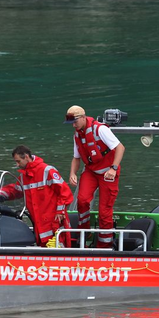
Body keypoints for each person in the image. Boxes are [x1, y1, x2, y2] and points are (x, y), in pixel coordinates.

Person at [66, 105, 124, 248]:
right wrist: (72, 173)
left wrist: (113, 168)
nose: (73, 125)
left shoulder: (100, 129)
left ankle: (104, 245)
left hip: (108, 172)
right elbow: (76, 158)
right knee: (82, 200)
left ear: (83, 117)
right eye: (71, 123)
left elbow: (120, 148)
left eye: (75, 122)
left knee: (104, 211)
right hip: (91, 171)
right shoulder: (77, 135)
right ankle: (85, 232)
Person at [0, 145, 73, 247]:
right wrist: (0, 194)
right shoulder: (24, 176)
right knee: (43, 247)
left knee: (57, 247)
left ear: (26, 157)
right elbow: (16, 190)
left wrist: (60, 211)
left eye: (18, 161)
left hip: (54, 222)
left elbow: (65, 192)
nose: (17, 164)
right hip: (39, 223)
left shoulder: (47, 171)